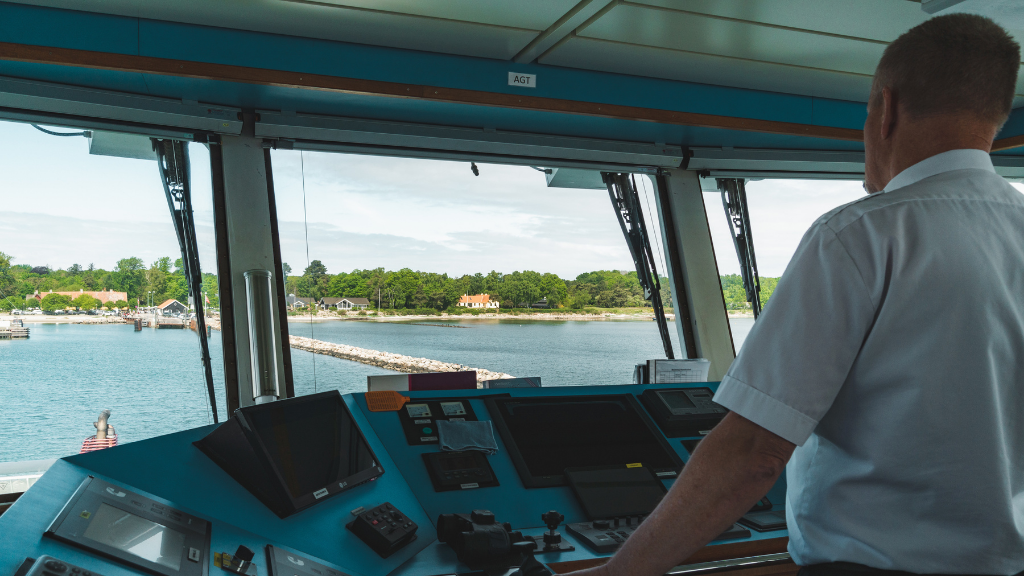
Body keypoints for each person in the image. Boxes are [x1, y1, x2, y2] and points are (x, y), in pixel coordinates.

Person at [567, 13, 1023, 576]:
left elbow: (754, 454)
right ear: (994, 120)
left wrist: (616, 573)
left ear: (886, 110)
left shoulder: (861, 235)